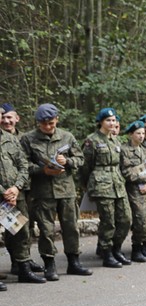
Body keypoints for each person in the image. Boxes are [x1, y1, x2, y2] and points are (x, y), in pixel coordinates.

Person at [21, 103, 92, 280]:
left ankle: (74, 262)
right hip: (42, 192)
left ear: (57, 120)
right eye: (43, 123)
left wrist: (67, 161)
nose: (47, 127)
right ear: (38, 122)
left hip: (66, 190)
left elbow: (80, 158)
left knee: (71, 227)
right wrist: (42, 170)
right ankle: (49, 264)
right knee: (46, 230)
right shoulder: (28, 139)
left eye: (51, 123)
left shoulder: (67, 136)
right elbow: (23, 164)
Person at [82, 107, 133, 268]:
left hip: (117, 183)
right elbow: (85, 166)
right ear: (101, 122)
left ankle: (116, 248)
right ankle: (106, 252)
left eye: (114, 120)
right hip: (101, 184)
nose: (112, 123)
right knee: (108, 221)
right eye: (108, 120)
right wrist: (88, 186)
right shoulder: (92, 140)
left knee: (125, 219)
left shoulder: (115, 140)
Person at [1, 123, 45, 287]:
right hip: (5, 196)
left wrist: (16, 187)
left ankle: (23, 269)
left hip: (13, 196)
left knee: (19, 231)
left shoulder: (10, 139)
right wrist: (4, 192)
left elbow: (23, 165)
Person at [119, 120, 146, 262]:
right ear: (131, 134)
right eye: (138, 133)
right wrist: (143, 177)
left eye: (143, 133)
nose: (141, 136)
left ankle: (145, 249)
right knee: (140, 221)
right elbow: (125, 172)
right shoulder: (124, 151)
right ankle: (136, 249)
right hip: (135, 192)